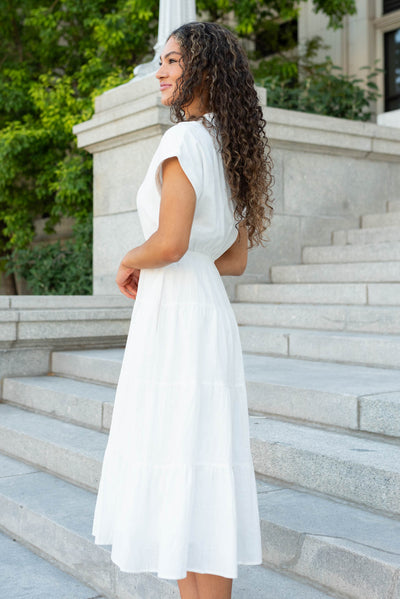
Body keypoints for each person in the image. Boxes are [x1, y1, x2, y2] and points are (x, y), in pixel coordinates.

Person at [92, 21, 273, 599]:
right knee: (198, 464)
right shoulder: (226, 144)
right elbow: (234, 257)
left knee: (176, 455)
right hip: (203, 307)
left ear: (204, 69)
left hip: (174, 315)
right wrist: (183, 265)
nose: (160, 72)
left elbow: (169, 242)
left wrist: (129, 259)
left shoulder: (182, 141)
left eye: (172, 60)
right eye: (160, 61)